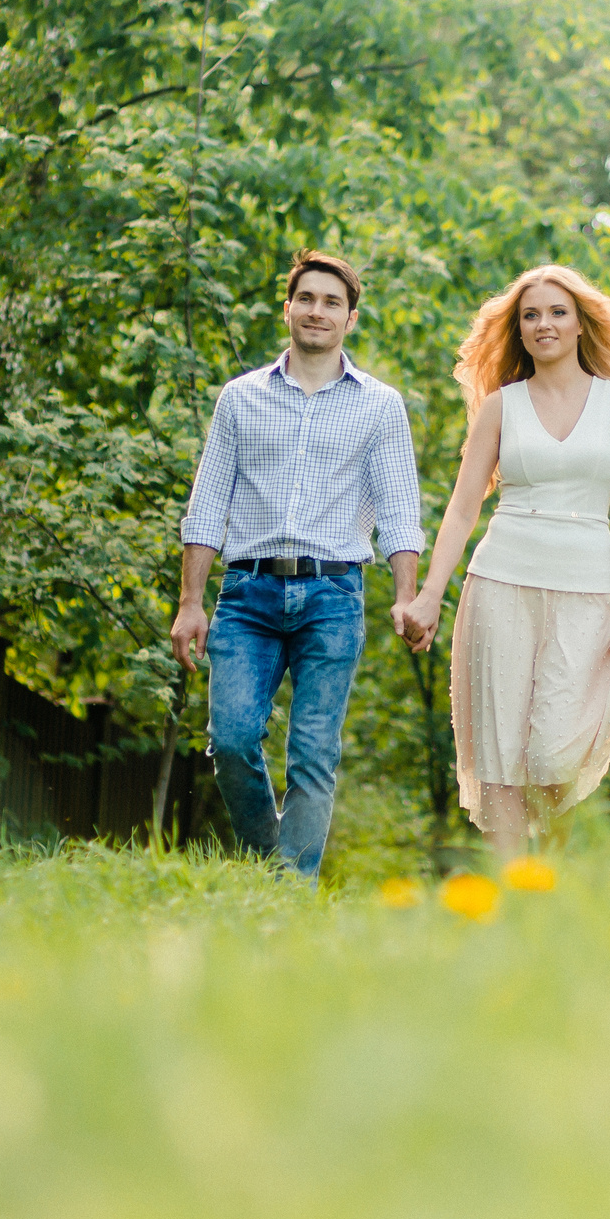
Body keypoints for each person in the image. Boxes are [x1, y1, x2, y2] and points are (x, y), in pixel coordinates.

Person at [170, 252, 426, 877]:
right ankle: (270, 869)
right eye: (306, 299)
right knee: (230, 742)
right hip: (247, 595)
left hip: (333, 595)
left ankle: (289, 897)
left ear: (351, 318)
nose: (317, 310)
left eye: (331, 302)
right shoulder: (240, 400)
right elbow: (207, 507)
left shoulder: (380, 406)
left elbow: (399, 508)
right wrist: (191, 602)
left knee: (313, 755)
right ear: (288, 309)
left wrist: (408, 595)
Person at [391, 265, 610, 855]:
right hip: (501, 583)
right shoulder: (500, 407)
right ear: (517, 329)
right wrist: (430, 594)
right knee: (503, 754)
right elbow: (462, 509)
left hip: (588, 589)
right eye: (531, 315)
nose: (544, 324)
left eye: (558, 312)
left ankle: (553, 888)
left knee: (557, 751)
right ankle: (514, 904)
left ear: (582, 323)